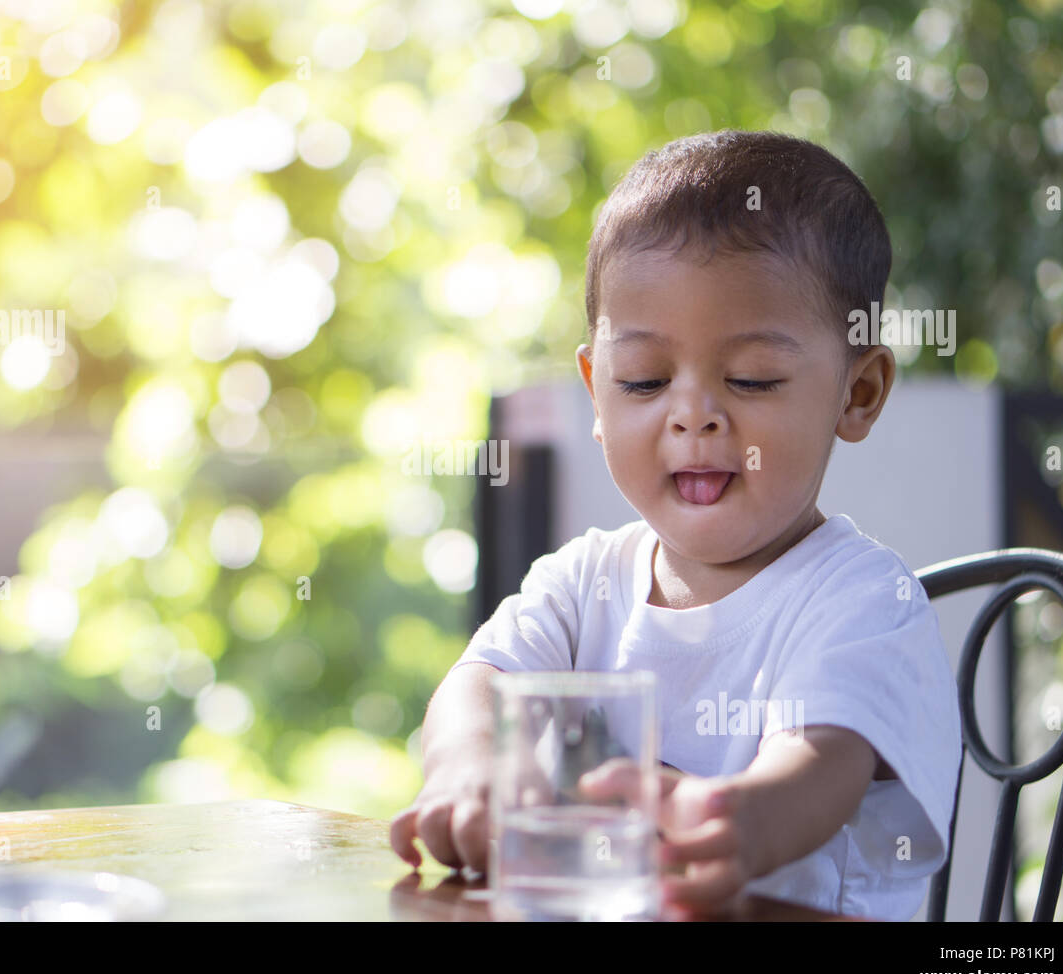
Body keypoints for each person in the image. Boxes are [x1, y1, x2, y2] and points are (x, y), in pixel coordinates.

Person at [389, 129, 962, 921]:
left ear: (857, 393)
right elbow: (478, 683)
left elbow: (819, 759)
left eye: (751, 378)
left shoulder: (862, 600)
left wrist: (738, 822)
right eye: (645, 379)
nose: (692, 415)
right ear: (597, 389)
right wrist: (467, 768)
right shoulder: (582, 582)